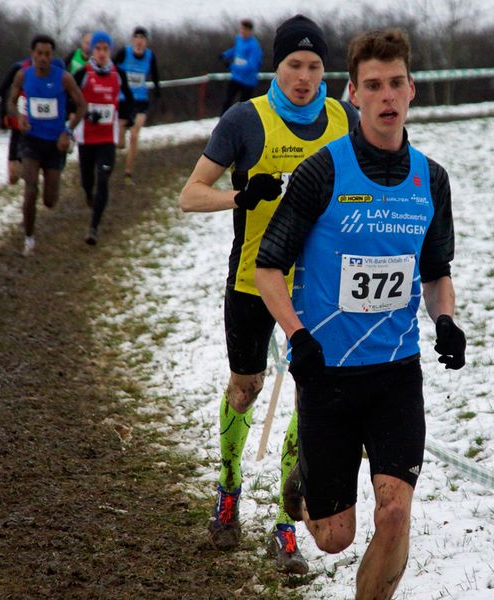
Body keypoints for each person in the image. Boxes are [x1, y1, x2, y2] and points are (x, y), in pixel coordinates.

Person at [254, 28, 466, 600]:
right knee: (333, 538)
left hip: (397, 370)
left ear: (412, 89)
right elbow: (267, 269)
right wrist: (299, 337)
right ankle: (304, 480)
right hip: (327, 373)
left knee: (395, 513)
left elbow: (436, 271)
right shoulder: (322, 172)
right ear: (353, 93)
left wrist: (444, 319)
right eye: (373, 85)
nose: (386, 95)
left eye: (396, 82)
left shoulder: (431, 179)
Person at [178, 15, 359, 575]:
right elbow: (189, 195)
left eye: (313, 66)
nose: (304, 77)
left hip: (319, 283)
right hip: (253, 278)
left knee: (309, 398)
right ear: (275, 68)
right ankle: (229, 488)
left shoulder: (343, 118)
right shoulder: (244, 119)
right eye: (292, 66)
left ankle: (285, 524)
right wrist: (241, 195)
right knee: (245, 388)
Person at [7, 34, 86, 257]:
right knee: (30, 188)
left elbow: (81, 106)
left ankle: (40, 212)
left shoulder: (64, 78)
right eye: (39, 54)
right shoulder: (23, 75)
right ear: (32, 54)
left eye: (47, 54)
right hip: (31, 141)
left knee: (50, 201)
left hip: (55, 144)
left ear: (52, 56)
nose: (43, 58)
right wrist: (19, 117)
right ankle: (29, 238)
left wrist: (67, 131)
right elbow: (11, 102)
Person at [73, 31, 134, 245]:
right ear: (92, 51)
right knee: (87, 181)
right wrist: (84, 114)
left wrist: (127, 120)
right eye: (97, 49)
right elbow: (70, 102)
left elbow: (128, 101)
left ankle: (93, 228)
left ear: (109, 51)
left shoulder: (118, 75)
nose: (101, 53)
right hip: (86, 137)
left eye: (105, 49)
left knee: (104, 179)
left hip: (107, 138)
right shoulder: (82, 74)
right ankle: (88, 194)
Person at [0, 54, 66, 185]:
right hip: (19, 121)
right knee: (13, 177)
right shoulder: (19, 69)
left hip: (40, 127)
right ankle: (16, 174)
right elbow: (3, 90)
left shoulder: (57, 72)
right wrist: (3, 115)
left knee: (30, 168)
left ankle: (32, 176)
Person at [114, 26, 160, 184]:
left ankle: (128, 173)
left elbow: (155, 74)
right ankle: (118, 144)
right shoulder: (124, 53)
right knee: (120, 143)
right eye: (137, 37)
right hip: (122, 100)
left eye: (143, 38)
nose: (139, 41)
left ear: (146, 42)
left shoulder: (149, 56)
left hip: (140, 101)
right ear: (133, 40)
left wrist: (158, 92)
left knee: (134, 135)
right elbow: (111, 68)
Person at [219, 19, 262, 115]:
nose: (242, 31)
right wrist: (225, 55)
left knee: (244, 107)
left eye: (245, 29)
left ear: (250, 31)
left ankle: (242, 127)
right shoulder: (239, 39)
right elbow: (236, 50)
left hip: (248, 81)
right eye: (241, 29)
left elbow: (252, 66)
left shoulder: (254, 46)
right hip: (236, 77)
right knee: (227, 100)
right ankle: (222, 122)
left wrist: (232, 67)